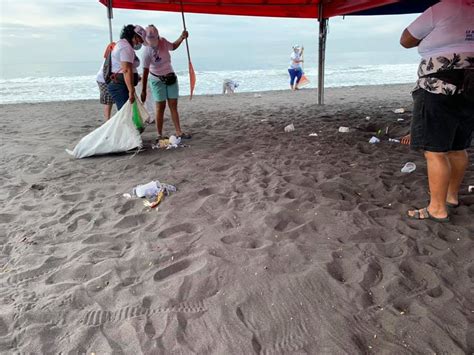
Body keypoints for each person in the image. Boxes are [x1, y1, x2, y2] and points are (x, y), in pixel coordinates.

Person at [400, 0, 474, 222]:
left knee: (435, 151)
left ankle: (437, 208)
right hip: (471, 84)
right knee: (458, 147)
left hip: (438, 85)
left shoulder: (444, 7)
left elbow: (406, 39)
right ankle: (451, 197)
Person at [140, 25, 191, 140]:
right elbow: (145, 72)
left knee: (173, 105)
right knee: (160, 107)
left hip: (170, 77)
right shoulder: (146, 52)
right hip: (157, 80)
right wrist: (143, 91)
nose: (152, 43)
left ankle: (179, 132)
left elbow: (173, 46)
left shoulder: (163, 42)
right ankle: (159, 135)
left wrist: (182, 37)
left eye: (154, 40)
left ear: (158, 36)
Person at [107, 25, 146, 111]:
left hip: (122, 85)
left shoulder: (124, 44)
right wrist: (131, 91)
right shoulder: (125, 47)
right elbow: (126, 70)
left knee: (127, 114)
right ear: (135, 36)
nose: (140, 43)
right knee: (126, 115)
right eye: (140, 40)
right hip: (120, 86)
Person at [96, 45, 115, 121]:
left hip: (103, 78)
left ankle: (108, 120)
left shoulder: (110, 55)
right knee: (108, 101)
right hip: (103, 79)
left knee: (109, 100)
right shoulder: (112, 57)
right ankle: (107, 121)